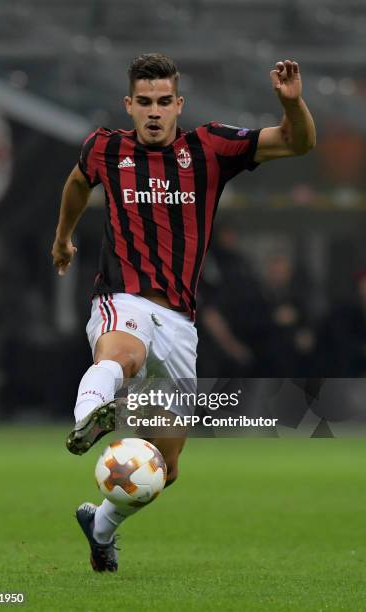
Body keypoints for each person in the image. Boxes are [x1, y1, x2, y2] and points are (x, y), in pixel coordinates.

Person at [51, 53, 316, 572]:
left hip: (179, 326)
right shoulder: (105, 147)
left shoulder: (211, 147)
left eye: (163, 102)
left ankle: (100, 526)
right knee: (121, 354)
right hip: (122, 300)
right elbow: (79, 181)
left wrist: (293, 103)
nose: (154, 112)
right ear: (129, 105)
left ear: (179, 104)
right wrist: (63, 238)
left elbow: (298, 141)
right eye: (144, 102)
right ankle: (88, 416)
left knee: (162, 468)